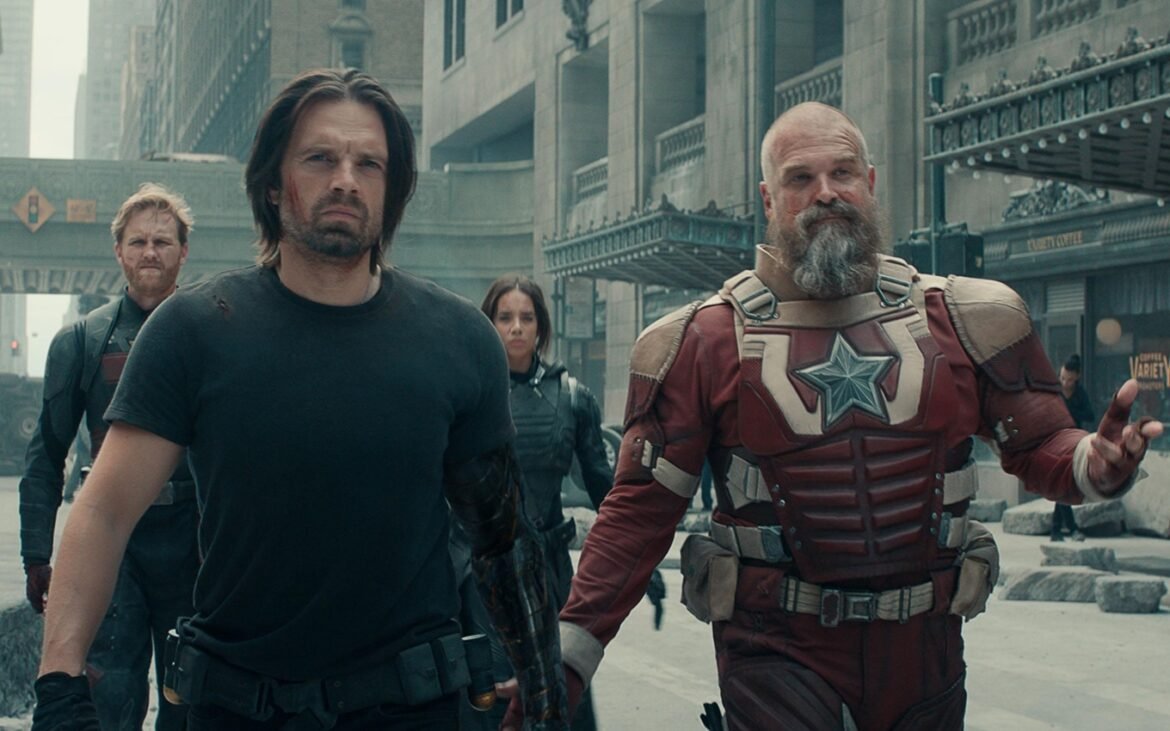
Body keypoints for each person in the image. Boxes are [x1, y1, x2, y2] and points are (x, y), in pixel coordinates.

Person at [502, 102, 1163, 731]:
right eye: (800, 178)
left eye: (842, 172)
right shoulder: (702, 342)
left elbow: (1042, 445)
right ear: (769, 200)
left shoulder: (965, 320)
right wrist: (562, 663)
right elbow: (635, 519)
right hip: (777, 654)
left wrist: (1096, 463)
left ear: (869, 184)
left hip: (926, 656)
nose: (826, 193)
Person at [31, 68, 568, 730]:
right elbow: (105, 512)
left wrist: (545, 692)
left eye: (368, 163)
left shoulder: (461, 341)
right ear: (271, 182)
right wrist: (59, 683)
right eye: (320, 158)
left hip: (411, 708)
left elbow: (502, 539)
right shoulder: (192, 331)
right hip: (237, 707)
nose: (346, 179)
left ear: (392, 187)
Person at [19, 183, 200, 731]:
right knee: (109, 696)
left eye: (162, 242)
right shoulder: (82, 341)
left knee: (193, 699)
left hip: (194, 541)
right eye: (138, 241)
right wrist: (36, 555)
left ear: (183, 252)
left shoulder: (213, 336)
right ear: (118, 251)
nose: (150, 252)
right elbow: (46, 455)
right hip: (111, 542)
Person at [455, 274, 611, 730]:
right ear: (489, 323)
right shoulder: (467, 394)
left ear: (541, 325)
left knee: (561, 694)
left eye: (526, 317)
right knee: (492, 697)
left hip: (552, 572)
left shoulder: (573, 397)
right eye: (505, 317)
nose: (516, 327)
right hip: (483, 578)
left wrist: (641, 562)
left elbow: (608, 493)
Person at [1052, 354, 1095, 541]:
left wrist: (1070, 412)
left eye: (1069, 379)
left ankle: (1057, 530)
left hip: (1073, 443)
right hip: (1055, 441)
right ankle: (1070, 529)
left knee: (1063, 485)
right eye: (1062, 378)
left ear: (1077, 377)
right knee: (1063, 484)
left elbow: (1090, 415)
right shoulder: (1054, 391)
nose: (1065, 383)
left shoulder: (1080, 393)